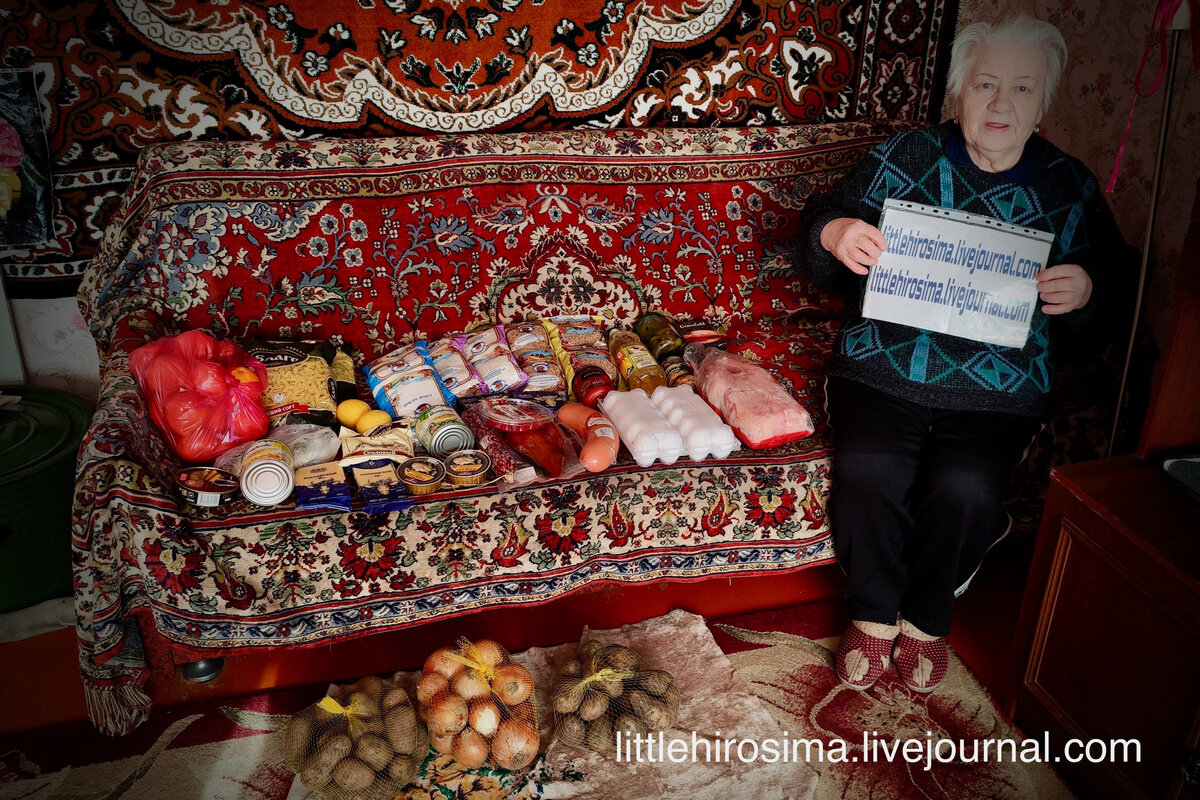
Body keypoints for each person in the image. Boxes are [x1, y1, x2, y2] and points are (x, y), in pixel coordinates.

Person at [794, 14, 1134, 692]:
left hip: (997, 387)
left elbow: (1115, 294)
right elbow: (818, 225)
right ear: (958, 95)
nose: (1001, 104)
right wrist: (835, 234)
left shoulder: (1070, 186)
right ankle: (871, 614)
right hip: (884, 367)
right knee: (869, 470)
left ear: (1043, 104)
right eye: (984, 84)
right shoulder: (905, 156)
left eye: (1021, 89)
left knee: (967, 490)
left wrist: (1088, 287)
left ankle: (926, 618)